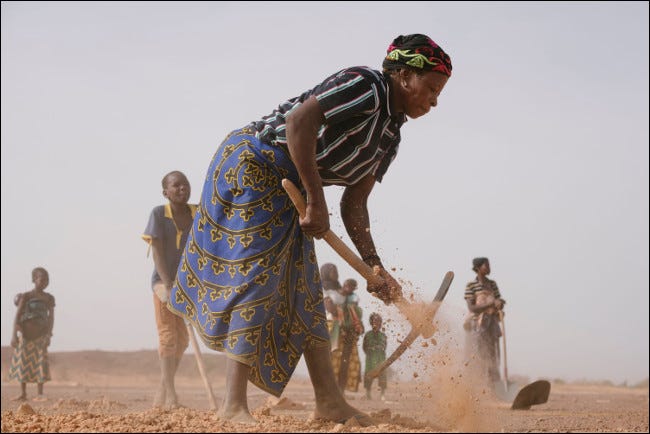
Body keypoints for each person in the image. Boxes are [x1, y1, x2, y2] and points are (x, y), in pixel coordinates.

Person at [168, 33, 452, 424]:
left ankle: (330, 402)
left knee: (305, 288)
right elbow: (298, 121)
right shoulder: (365, 85)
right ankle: (232, 405)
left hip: (296, 186)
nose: (434, 101)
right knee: (258, 274)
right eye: (432, 88)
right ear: (404, 76)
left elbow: (355, 203)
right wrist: (317, 200)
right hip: (255, 162)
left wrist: (374, 267)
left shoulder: (390, 135)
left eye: (439, 94)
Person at [142, 170, 197, 408]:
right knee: (168, 337)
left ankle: (163, 390)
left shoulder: (197, 214)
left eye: (185, 184)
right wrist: (169, 284)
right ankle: (172, 397)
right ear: (166, 192)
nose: (182, 189)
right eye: (176, 186)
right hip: (163, 282)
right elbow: (156, 252)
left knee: (183, 340)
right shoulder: (158, 214)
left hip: (187, 284)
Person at [9, 267, 55, 402]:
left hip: (41, 335)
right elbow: (17, 315)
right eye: (42, 279)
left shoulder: (49, 298)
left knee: (40, 363)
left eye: (47, 280)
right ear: (34, 279)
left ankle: (40, 394)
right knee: (23, 363)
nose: (45, 282)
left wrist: (49, 335)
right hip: (25, 334)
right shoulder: (26, 296)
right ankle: (23, 393)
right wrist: (13, 335)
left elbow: (51, 318)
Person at [464, 257, 505, 386]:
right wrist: (491, 304)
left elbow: (499, 301)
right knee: (480, 354)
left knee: (493, 355)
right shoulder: (471, 286)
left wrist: (499, 304)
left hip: (492, 323)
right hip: (478, 324)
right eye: (486, 265)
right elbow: (472, 308)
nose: (489, 268)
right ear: (478, 268)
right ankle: (479, 387)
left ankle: (495, 387)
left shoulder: (492, 284)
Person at [331, 278, 364, 394]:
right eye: (346, 286)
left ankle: (341, 390)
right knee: (332, 361)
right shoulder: (335, 296)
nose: (347, 288)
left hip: (349, 333)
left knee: (345, 362)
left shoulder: (353, 301)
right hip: (336, 332)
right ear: (344, 285)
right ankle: (331, 389)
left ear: (354, 289)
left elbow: (355, 317)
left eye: (351, 287)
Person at [362, 312, 388, 401]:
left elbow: (384, 347)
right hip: (370, 358)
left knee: (382, 375)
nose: (376, 323)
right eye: (374, 321)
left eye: (378, 321)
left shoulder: (383, 336)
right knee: (369, 375)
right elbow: (364, 347)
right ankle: (368, 393)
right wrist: (370, 352)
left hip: (380, 359)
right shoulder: (367, 335)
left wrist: (378, 350)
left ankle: (382, 394)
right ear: (371, 322)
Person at [320, 263, 345, 351]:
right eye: (333, 272)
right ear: (326, 273)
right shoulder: (323, 287)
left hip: (341, 321)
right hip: (329, 321)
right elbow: (327, 304)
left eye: (336, 272)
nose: (336, 274)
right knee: (332, 349)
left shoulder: (337, 287)